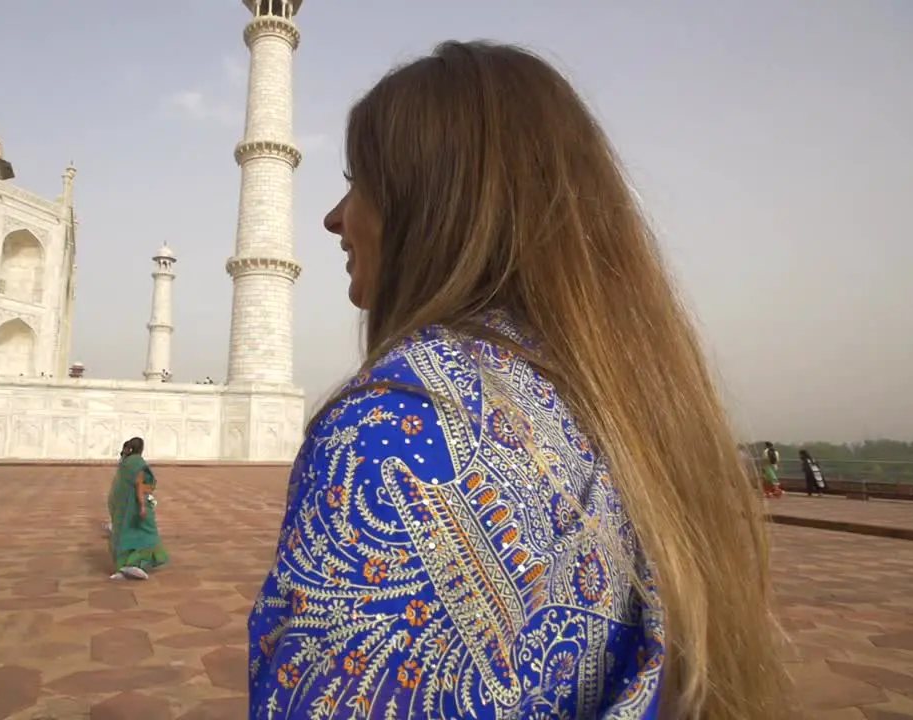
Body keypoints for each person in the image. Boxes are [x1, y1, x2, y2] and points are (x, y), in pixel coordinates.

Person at [248, 41, 789, 719]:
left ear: (433, 201)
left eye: (360, 181)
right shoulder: (621, 410)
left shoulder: (390, 436)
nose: (336, 217)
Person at [107, 437, 167, 580]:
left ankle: (123, 568)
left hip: (122, 507)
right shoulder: (138, 463)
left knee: (125, 534)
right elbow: (139, 486)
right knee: (148, 536)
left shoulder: (125, 463)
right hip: (135, 505)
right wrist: (142, 506)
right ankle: (134, 564)